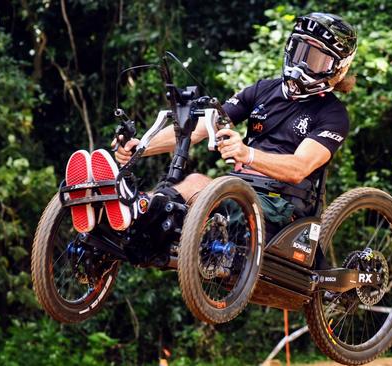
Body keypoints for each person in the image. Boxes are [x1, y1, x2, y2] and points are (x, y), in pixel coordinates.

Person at [65, 12, 357, 238]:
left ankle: (138, 206)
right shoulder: (263, 90)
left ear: (336, 69)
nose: (303, 63)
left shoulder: (332, 115)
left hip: (281, 205)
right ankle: (117, 215)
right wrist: (139, 148)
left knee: (196, 184)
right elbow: (203, 127)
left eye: (315, 59)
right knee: (184, 198)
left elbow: (298, 169)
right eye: (300, 51)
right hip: (239, 189)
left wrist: (247, 154)